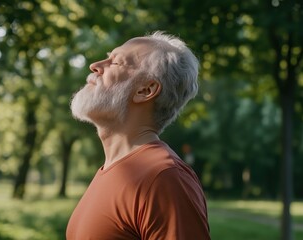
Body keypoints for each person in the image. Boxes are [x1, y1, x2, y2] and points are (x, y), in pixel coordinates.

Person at [66, 31, 210, 240]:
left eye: (116, 62)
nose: (96, 65)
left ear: (146, 90)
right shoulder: (113, 169)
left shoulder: (165, 177)